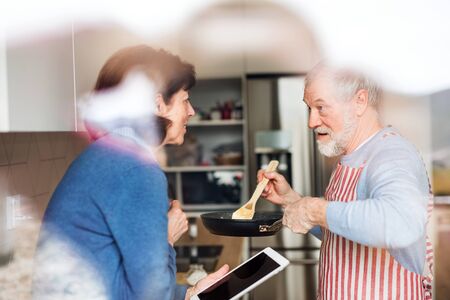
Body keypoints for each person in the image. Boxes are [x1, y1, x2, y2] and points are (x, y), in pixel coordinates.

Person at [32, 45, 228, 300]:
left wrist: (189, 294)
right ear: (158, 104)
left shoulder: (112, 156)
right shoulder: (135, 170)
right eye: (185, 100)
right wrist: (166, 240)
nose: (191, 111)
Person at [258, 63, 433, 299]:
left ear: (360, 101)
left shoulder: (391, 154)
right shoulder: (352, 156)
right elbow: (343, 231)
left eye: (321, 107)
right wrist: (292, 200)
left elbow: (399, 223)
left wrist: (314, 210)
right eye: (309, 108)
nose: (311, 121)